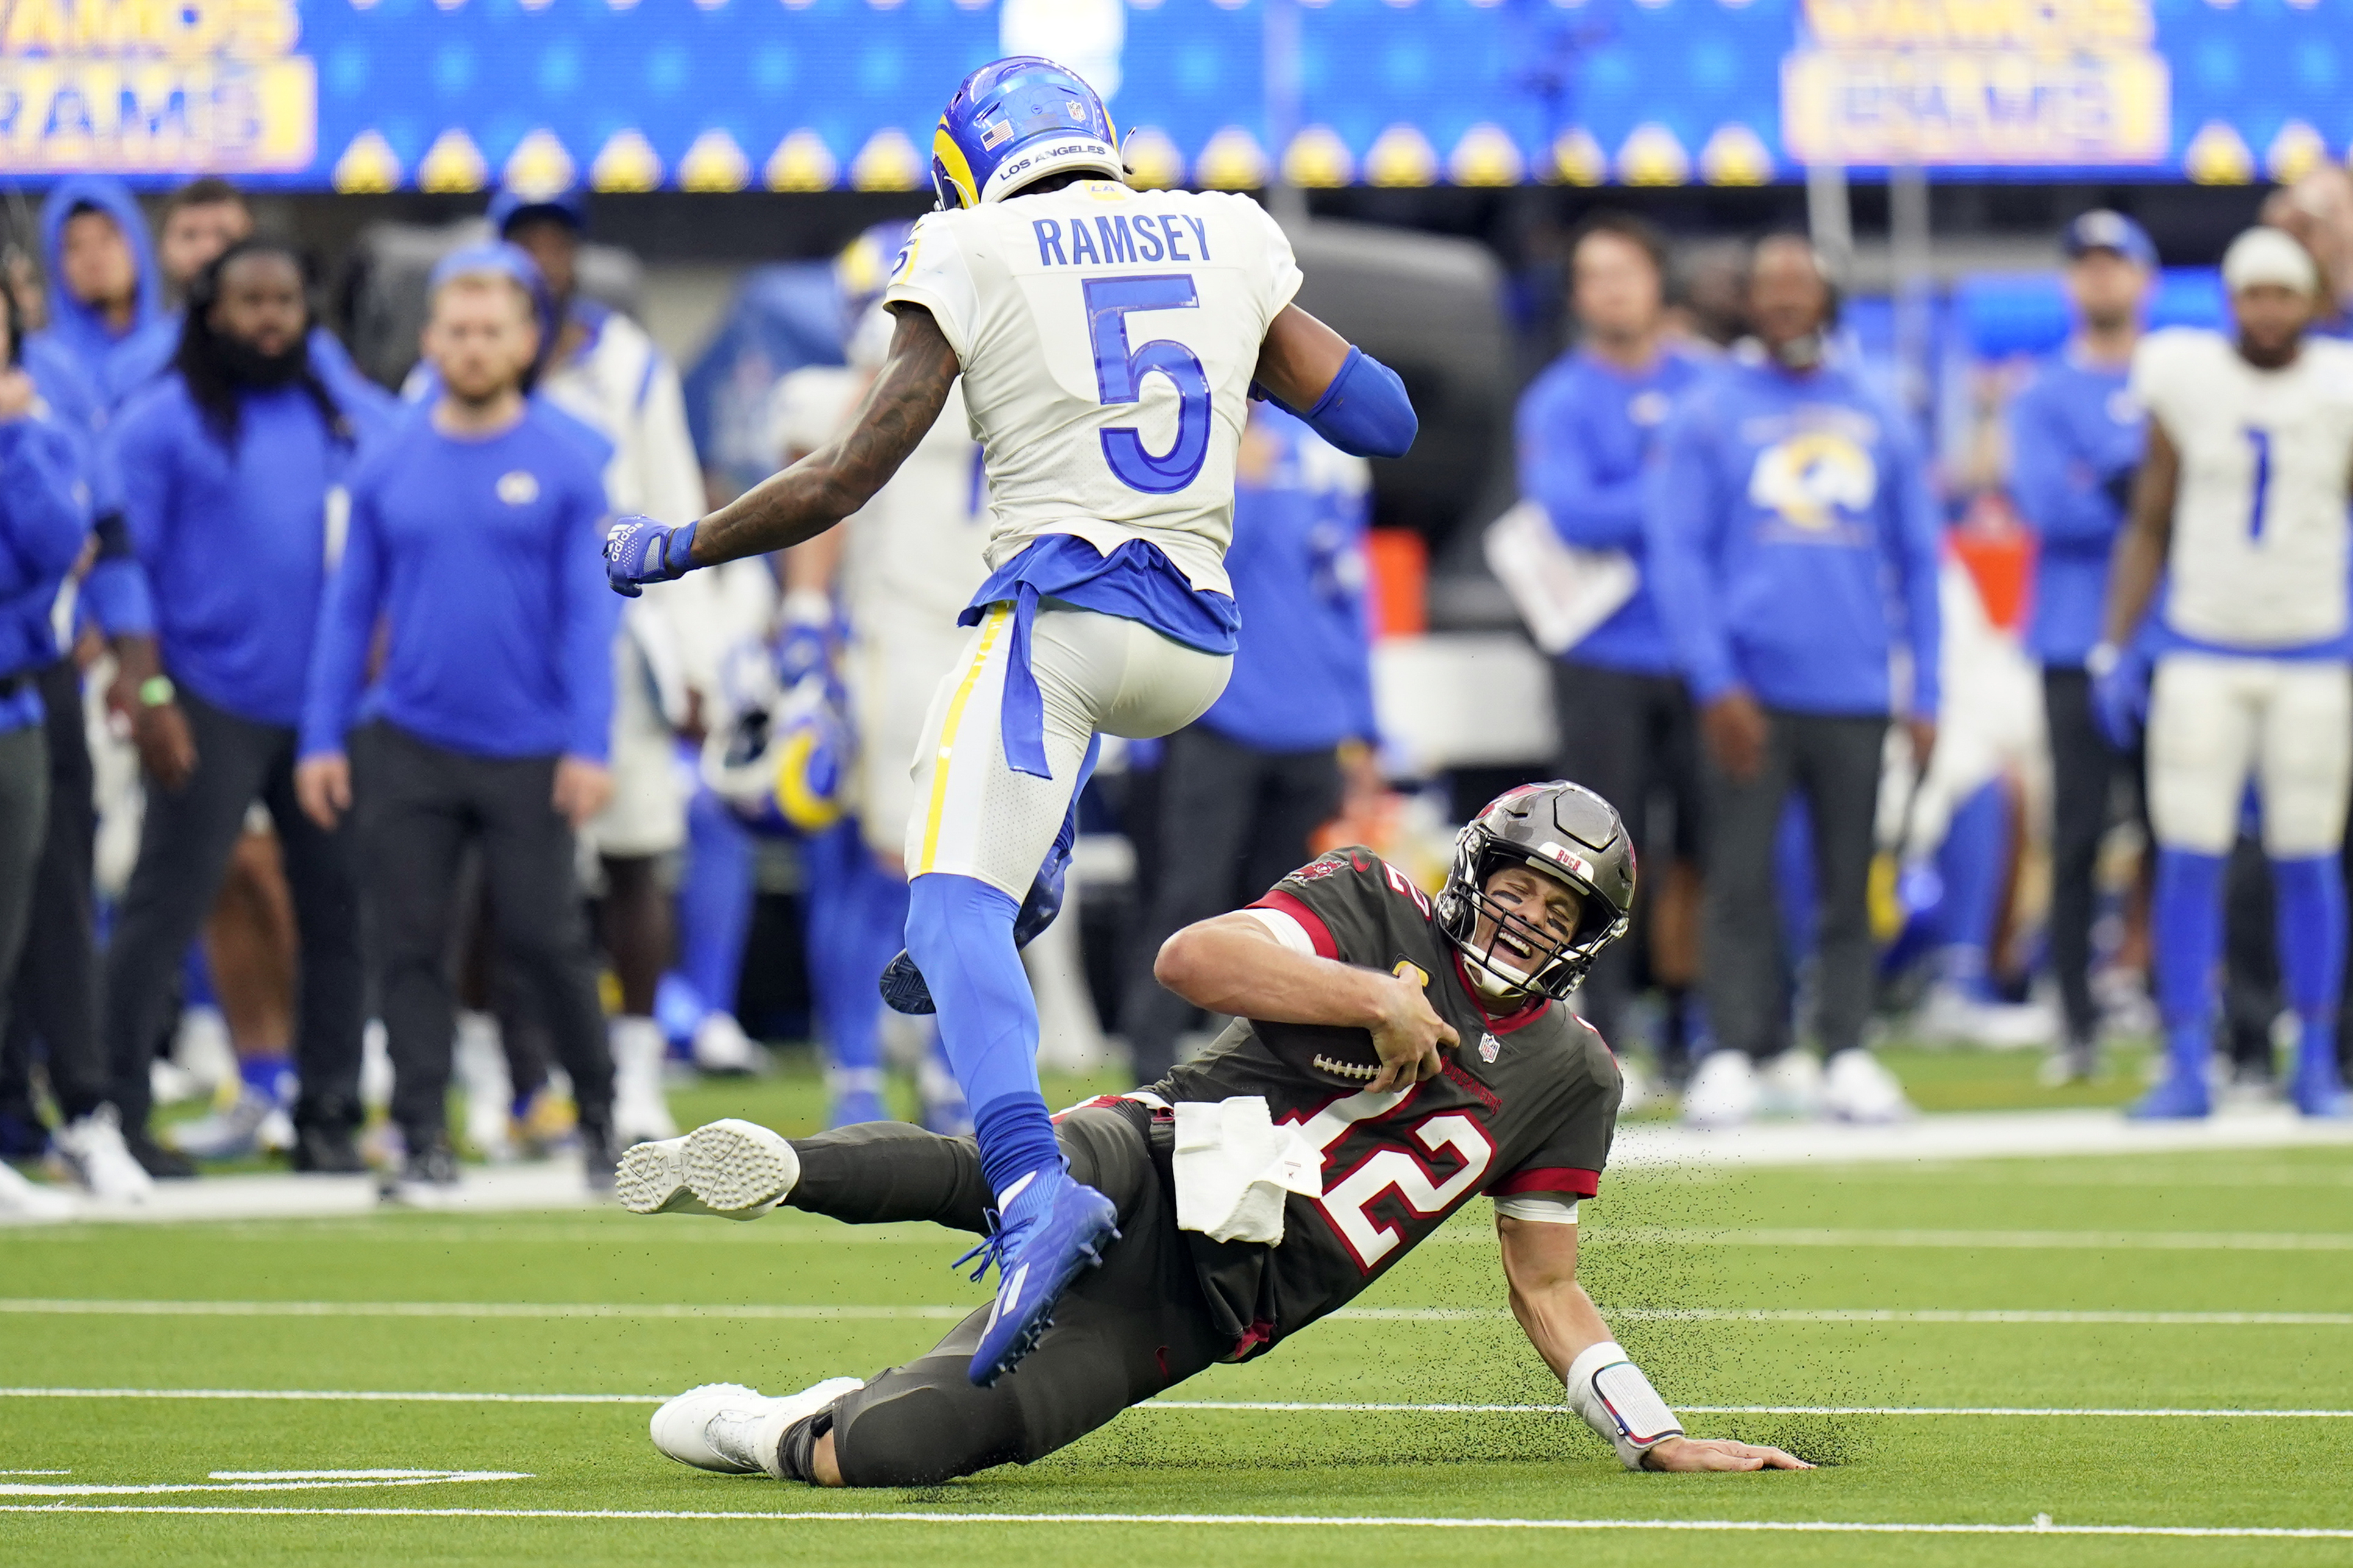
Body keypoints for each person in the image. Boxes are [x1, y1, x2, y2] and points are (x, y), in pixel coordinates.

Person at [604, 56, 1417, 1383]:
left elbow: (847, 471)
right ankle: (1031, 852)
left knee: (946, 905)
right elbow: (1382, 417)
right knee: (1005, 802)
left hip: (1063, 620)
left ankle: (1034, 1183)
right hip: (1198, 645)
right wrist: (1236, 359)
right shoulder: (1224, 224)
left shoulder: (968, 240)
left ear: (969, 158)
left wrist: (680, 543)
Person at [619, 781, 1807, 1486]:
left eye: (1559, 908)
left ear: (1586, 937)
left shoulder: (1571, 1071)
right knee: (1028, 1170)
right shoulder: (1368, 899)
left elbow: (1548, 1288)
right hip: (1165, 1149)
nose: (1525, 914)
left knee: (898, 1449)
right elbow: (1190, 956)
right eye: (1516, 883)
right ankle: (776, 1166)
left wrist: (1650, 1433)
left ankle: (778, 1422)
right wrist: (1372, 995)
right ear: (1471, 868)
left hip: (1205, 1300)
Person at [297, 244, 622, 1197]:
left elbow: (586, 616)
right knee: (407, 943)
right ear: (431, 339)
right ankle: (419, 1133)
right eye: (458, 330)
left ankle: (601, 1115)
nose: (474, 348)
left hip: (530, 746)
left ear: (526, 341)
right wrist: (322, 735)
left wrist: (588, 742)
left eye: (493, 331)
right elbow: (349, 608)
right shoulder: (387, 456)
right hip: (411, 739)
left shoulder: (571, 460)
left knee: (544, 936)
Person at [97, 239, 396, 1176]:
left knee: (337, 914)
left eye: (286, 299)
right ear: (210, 312)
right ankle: (116, 1117)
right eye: (250, 301)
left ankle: (328, 1117)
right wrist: (149, 692)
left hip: (326, 713)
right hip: (204, 699)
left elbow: (417, 487)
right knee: (165, 906)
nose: (270, 317)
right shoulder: (160, 421)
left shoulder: (348, 416)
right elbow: (119, 563)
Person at [1645, 233, 1940, 1130]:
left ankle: (1846, 1047)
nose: (1781, 302)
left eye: (1797, 286)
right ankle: (1733, 1048)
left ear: (1829, 298)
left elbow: (1922, 560)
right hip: (1751, 690)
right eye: (1766, 286)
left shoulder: (1880, 409)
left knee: (1851, 876)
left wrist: (1926, 689)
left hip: (1853, 683)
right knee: (1737, 876)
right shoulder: (1712, 410)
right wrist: (1713, 678)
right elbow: (1679, 555)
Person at [2090, 227, 2353, 1121]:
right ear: (2232, 300)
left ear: (2312, 300)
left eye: (2287, 293)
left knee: (2310, 857)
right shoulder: (2185, 375)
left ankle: (2315, 1057)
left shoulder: (2341, 383)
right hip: (2203, 643)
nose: (2271, 310)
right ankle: (2187, 1060)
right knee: (2189, 856)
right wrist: (2116, 644)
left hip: (2314, 647)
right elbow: (2151, 516)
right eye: (2255, 294)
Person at [491, 180, 712, 1145]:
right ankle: (509, 1078)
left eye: (556, 239)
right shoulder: (466, 349)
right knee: (502, 873)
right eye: (524, 239)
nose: (543, 257)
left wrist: (699, 653)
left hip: (616, 639)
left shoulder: (625, 364)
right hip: (499, 648)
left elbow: (675, 499)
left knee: (634, 855)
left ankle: (633, 1076)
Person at [1119, 401, 1375, 1082]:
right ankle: (1149, 1054)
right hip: (1219, 709)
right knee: (1190, 891)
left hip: (1313, 717)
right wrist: (1246, 489)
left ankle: (1274, 1064)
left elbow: (1347, 583)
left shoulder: (1325, 451)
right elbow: (1181, 577)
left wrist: (1365, 716)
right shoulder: (1181, 440)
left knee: (1296, 913)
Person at [1515, 212, 1708, 1084]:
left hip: (1704, 654)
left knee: (1708, 845)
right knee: (1603, 855)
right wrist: (1672, 489)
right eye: (1594, 276)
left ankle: (1700, 1026)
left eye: (1626, 272)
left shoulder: (1708, 382)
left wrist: (1644, 497)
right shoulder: (1559, 399)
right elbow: (1570, 512)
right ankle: (1609, 1032)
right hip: (1603, 657)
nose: (1613, 291)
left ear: (1657, 281)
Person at [2006, 211, 2157, 1084]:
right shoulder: (2041, 391)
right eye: (2087, 266)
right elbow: (2046, 506)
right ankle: (2074, 1015)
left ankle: (2183, 1005)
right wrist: (2137, 484)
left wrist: (2101, 473)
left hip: (2167, 634)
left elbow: (2189, 498)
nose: (2101, 280)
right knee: (2076, 833)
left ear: (2140, 277)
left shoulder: (2174, 375)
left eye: (2115, 265)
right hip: (2072, 635)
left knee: (2184, 831)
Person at [0, 288, 114, 1214]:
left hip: (17, 707)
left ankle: (51, 1124)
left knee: (23, 926)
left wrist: (6, 439)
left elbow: (52, 545)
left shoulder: (31, 431)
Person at [34, 177, 163, 407]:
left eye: (107, 238)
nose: (93, 258)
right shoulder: (40, 371)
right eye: (74, 245)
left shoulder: (178, 354)